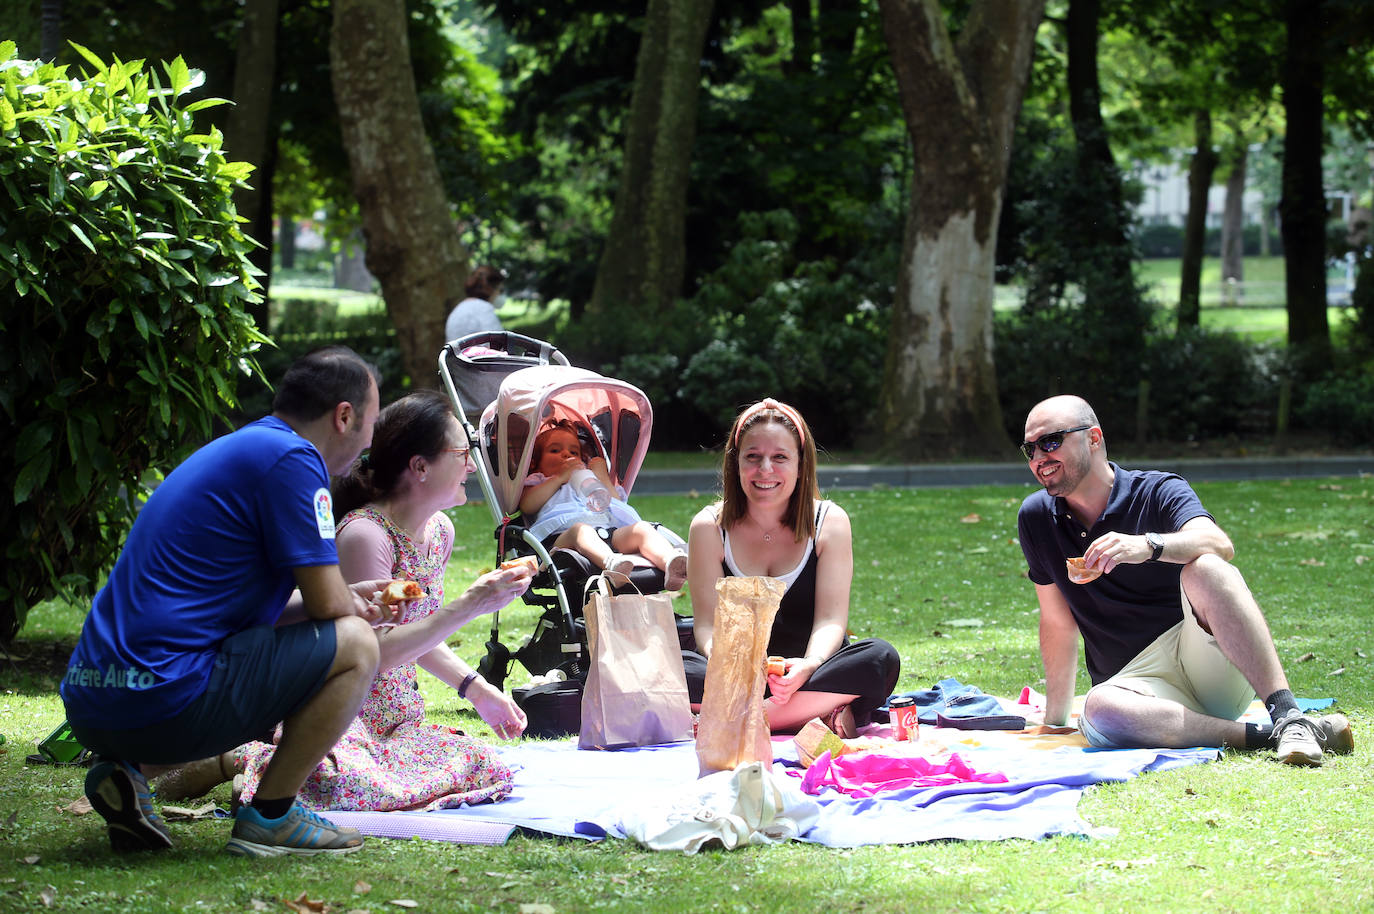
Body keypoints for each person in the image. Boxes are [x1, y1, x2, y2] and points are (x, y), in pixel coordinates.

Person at [60, 346, 389, 857]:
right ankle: (273, 815)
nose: (364, 451)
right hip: (164, 699)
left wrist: (343, 598)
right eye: (369, 434)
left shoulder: (244, 448)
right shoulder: (297, 460)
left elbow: (249, 614)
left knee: (335, 632)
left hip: (91, 699)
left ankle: (125, 770)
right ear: (344, 416)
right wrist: (347, 604)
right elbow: (331, 609)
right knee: (358, 644)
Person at [223, 390, 534, 811]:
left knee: (482, 764)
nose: (472, 464)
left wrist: (477, 689)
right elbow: (376, 648)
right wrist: (469, 606)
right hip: (339, 713)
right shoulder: (367, 536)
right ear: (420, 466)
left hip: (397, 719)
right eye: (463, 451)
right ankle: (240, 758)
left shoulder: (438, 531)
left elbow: (413, 632)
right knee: (353, 784)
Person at [1015, 395, 1355, 765]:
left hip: (1206, 663)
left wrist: (1148, 545)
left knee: (1206, 567)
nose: (1038, 458)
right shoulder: (1036, 517)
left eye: (1050, 442)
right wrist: (1054, 721)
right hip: (1137, 690)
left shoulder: (1157, 491)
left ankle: (1287, 715)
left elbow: (1219, 544)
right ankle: (1272, 736)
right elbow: (1056, 622)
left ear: (1093, 438)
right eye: (1029, 448)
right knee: (1098, 708)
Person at [681, 398, 900, 737]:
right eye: (752, 457)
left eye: (780, 457)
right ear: (735, 462)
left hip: (810, 672)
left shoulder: (830, 522)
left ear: (801, 464)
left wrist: (809, 665)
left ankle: (736, 723)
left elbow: (830, 621)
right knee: (670, 667)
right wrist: (734, 667)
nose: (765, 469)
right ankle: (817, 715)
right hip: (735, 675)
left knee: (878, 657)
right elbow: (707, 626)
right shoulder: (709, 527)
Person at [519, 420, 688, 589]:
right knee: (581, 529)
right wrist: (560, 477)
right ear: (535, 462)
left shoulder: (587, 480)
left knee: (641, 529)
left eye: (574, 451)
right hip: (563, 539)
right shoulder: (539, 480)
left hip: (607, 533)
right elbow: (528, 505)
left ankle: (671, 563)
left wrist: (601, 476)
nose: (566, 454)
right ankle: (612, 565)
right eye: (555, 450)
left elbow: (617, 505)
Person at [443, 264, 506, 343]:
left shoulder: (460, 307)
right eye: (500, 290)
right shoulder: (483, 309)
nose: (500, 294)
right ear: (491, 288)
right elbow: (498, 344)